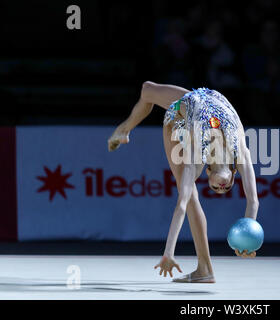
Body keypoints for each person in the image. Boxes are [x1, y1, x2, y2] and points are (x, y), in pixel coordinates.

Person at [107, 82, 260, 283]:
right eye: (224, 187)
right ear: (233, 173)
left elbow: (180, 204)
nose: (220, 187)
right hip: (206, 98)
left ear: (206, 172)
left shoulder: (195, 156)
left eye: (214, 187)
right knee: (146, 89)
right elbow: (253, 201)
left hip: (181, 112)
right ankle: (124, 130)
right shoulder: (240, 152)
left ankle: (204, 269)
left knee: (188, 195)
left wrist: (168, 253)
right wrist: (250, 234)